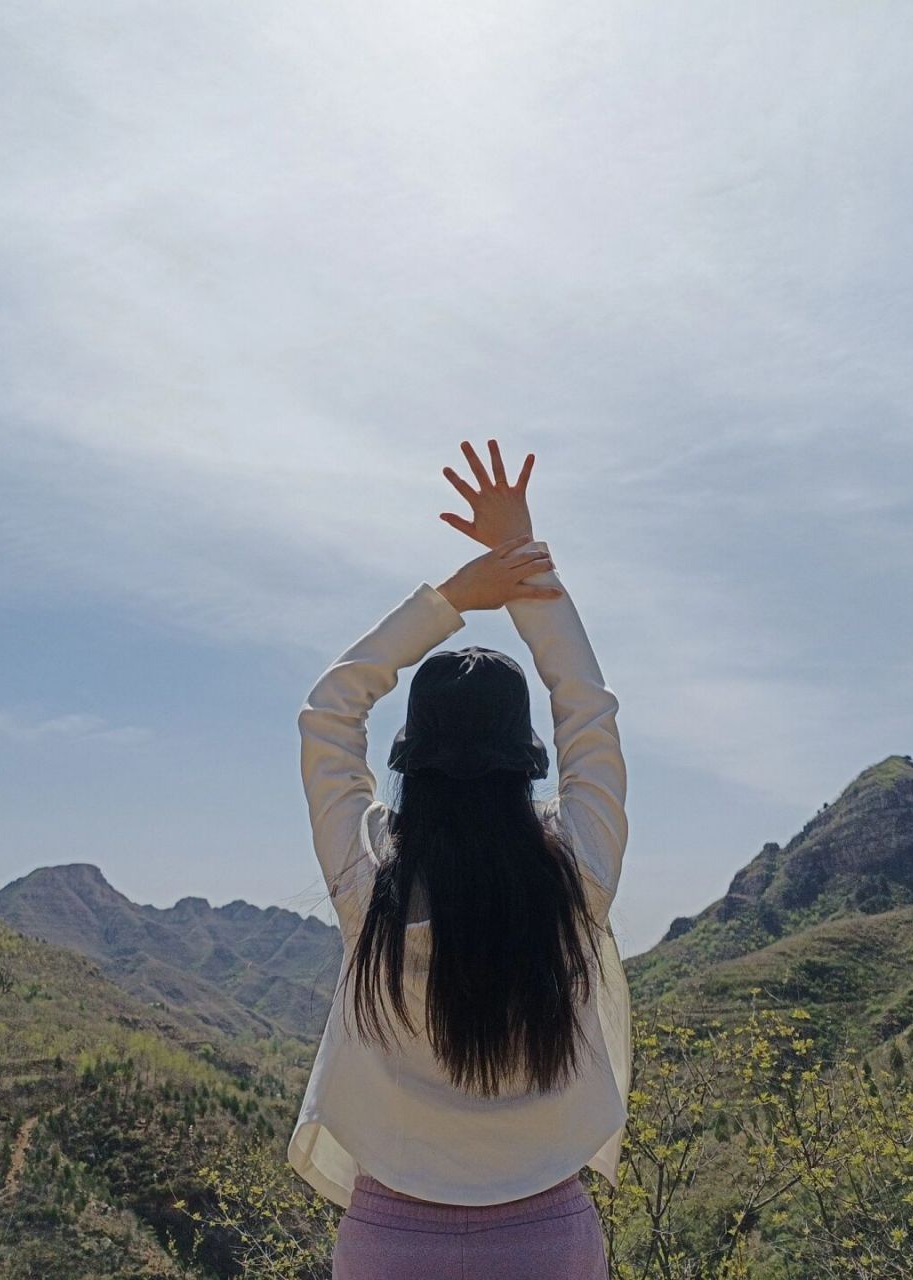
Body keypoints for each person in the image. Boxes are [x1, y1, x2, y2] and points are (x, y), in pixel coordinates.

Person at [289, 439, 630, 1278]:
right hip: (547, 1235)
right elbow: (588, 711)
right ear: (526, 759)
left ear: (411, 760)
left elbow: (329, 711)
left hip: (389, 1243)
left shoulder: (370, 879)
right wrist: (527, 575)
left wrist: (452, 598)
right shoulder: (573, 873)